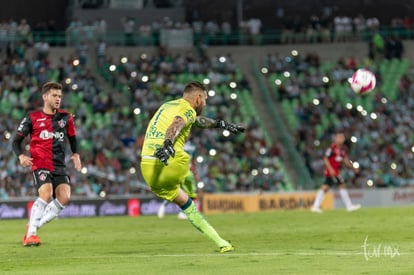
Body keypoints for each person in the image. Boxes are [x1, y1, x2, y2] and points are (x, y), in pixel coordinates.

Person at [140, 81, 244, 253]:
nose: (205, 103)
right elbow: (177, 124)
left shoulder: (168, 105)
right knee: (188, 167)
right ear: (198, 98)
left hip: (148, 168)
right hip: (170, 161)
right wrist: (167, 145)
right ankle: (190, 186)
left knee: (188, 206)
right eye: (205, 99)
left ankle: (222, 243)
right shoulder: (186, 109)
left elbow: (197, 121)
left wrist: (220, 124)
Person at [12, 82, 82, 246]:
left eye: (59, 96)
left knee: (64, 197)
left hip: (59, 165)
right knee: (46, 193)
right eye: (54, 95)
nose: (58, 99)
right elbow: (16, 141)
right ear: (45, 97)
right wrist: (21, 156)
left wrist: (76, 154)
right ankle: (31, 235)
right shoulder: (32, 117)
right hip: (40, 163)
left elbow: (72, 138)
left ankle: (34, 225)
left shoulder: (66, 117)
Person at [311, 131, 361, 213]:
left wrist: (353, 168)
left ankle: (315, 206)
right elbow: (325, 159)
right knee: (342, 185)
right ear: (336, 138)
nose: (342, 139)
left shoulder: (341, 150)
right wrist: (330, 169)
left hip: (335, 171)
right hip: (332, 172)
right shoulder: (332, 148)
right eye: (340, 137)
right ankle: (349, 206)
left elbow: (345, 161)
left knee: (325, 188)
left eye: (343, 137)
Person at [157, 138, 200, 220]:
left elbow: (193, 161)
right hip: (177, 170)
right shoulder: (176, 144)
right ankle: (163, 206)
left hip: (188, 171)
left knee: (191, 192)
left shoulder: (192, 147)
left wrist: (195, 173)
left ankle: (183, 212)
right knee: (174, 190)